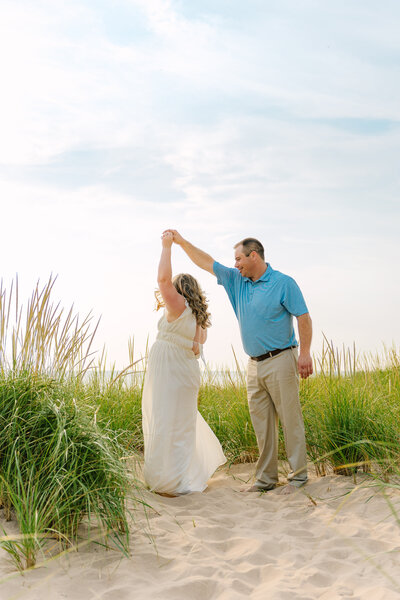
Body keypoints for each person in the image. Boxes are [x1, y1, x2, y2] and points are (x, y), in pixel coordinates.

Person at [164, 230, 313, 495]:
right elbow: (206, 262)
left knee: (291, 420)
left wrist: (305, 353)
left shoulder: (283, 283)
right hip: (253, 364)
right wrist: (182, 242)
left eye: (238, 259)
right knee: (262, 424)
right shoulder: (236, 281)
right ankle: (266, 480)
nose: (235, 265)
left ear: (253, 256)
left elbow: (303, 317)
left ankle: (298, 478)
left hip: (281, 358)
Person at [141, 231, 226, 496]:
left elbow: (162, 278)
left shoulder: (178, 305)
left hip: (170, 372)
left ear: (180, 290)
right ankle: (179, 478)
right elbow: (196, 349)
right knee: (181, 425)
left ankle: (170, 483)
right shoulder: (198, 318)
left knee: (165, 422)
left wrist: (167, 246)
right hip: (186, 373)